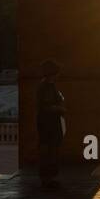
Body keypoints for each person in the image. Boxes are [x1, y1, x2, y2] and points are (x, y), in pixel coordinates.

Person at [36, 59, 66, 189]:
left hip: (47, 122)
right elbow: (47, 106)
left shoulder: (46, 85)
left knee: (49, 149)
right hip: (50, 123)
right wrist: (60, 109)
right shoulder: (47, 86)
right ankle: (48, 179)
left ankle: (48, 178)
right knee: (50, 149)